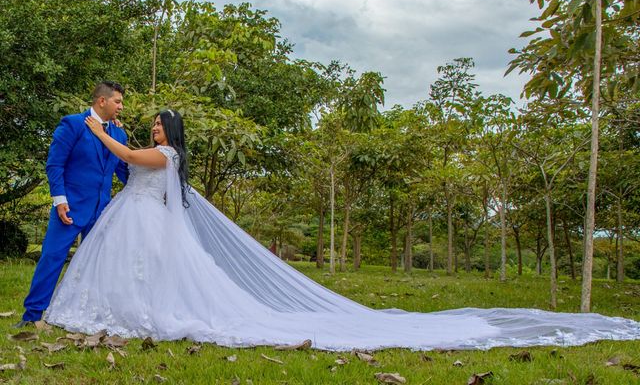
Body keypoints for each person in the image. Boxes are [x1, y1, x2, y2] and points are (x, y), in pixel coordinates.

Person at [44, 110, 640, 350]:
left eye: (154, 125)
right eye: (146, 125)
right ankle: (125, 313)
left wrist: (96, 128)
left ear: (167, 134)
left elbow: (128, 158)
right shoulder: (167, 159)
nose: (149, 131)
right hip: (139, 221)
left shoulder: (166, 159)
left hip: (146, 219)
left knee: (166, 281)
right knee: (145, 275)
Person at [16, 82, 128, 327]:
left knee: (97, 264)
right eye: (117, 101)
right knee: (52, 257)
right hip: (69, 208)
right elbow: (55, 165)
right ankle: (32, 315)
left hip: (102, 211)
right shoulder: (73, 123)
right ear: (102, 101)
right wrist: (60, 201)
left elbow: (123, 171)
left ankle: (87, 314)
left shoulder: (119, 134)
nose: (121, 106)